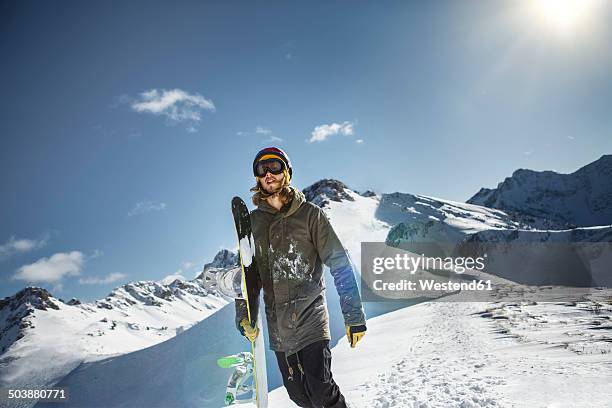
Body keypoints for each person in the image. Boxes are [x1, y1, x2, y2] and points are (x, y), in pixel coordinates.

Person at [235, 146, 367, 408]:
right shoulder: (253, 224)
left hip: (311, 319)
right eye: (262, 169)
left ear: (287, 172)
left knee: (321, 390)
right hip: (279, 326)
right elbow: (246, 276)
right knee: (299, 396)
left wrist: (354, 316)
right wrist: (244, 316)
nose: (268, 173)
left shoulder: (310, 215)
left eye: (275, 166)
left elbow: (339, 263)